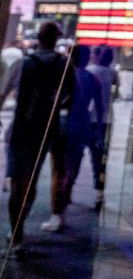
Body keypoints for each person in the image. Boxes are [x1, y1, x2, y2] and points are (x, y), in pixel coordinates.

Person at [7, 23, 70, 245]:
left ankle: (16, 234)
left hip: (19, 130)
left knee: (17, 182)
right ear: (56, 39)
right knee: (30, 182)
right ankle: (19, 228)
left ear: (38, 39)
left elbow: (3, 93)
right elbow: (68, 97)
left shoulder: (21, 64)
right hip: (44, 130)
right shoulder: (63, 65)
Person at [62, 45, 102, 223]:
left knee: (64, 160)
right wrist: (99, 127)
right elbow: (100, 106)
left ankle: (63, 192)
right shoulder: (92, 78)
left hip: (66, 121)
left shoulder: (66, 76)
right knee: (76, 159)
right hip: (83, 121)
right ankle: (68, 188)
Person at [86, 46, 116, 208]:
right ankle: (99, 193)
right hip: (103, 120)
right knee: (98, 158)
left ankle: (66, 190)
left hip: (86, 118)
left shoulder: (90, 70)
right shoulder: (112, 73)